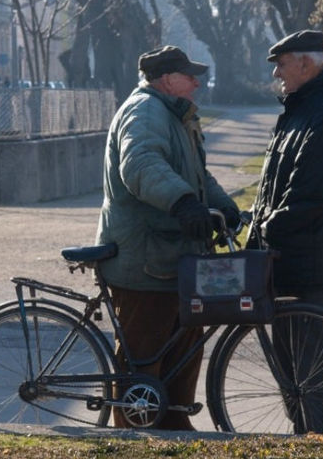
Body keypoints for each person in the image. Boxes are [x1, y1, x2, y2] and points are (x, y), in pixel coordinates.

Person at [95, 45, 240, 430]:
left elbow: (198, 176)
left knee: (184, 344)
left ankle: (175, 423)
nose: (197, 82)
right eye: (189, 75)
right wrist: (182, 204)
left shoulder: (175, 115)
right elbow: (140, 165)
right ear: (166, 80)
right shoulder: (145, 112)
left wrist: (225, 208)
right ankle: (133, 434)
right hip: (145, 259)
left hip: (174, 257)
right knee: (144, 353)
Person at [247, 30, 323, 433]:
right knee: (293, 374)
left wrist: (266, 225)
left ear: (306, 64)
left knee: (315, 374)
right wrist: (255, 221)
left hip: (313, 262)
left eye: (281, 63)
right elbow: (274, 186)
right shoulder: (298, 110)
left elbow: (313, 192)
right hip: (286, 260)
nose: (276, 72)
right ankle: (305, 438)